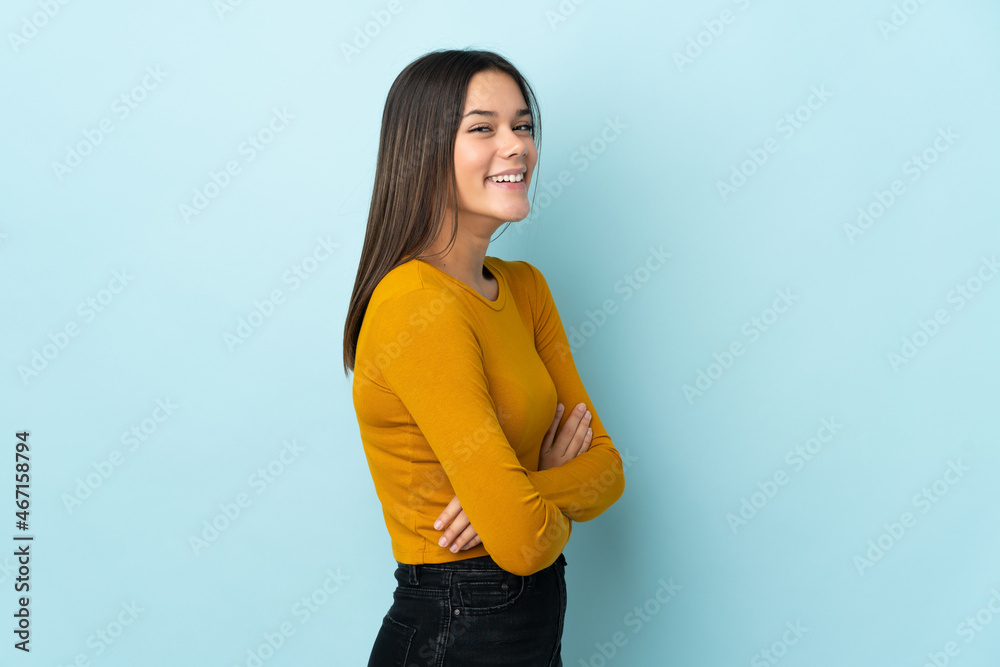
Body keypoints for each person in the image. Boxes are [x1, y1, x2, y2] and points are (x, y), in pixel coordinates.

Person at [343, 48, 625, 667]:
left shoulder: (525, 289)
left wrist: (516, 493)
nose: (516, 146)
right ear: (423, 149)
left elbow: (608, 474)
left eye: (523, 126)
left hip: (528, 623)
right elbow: (524, 543)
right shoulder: (417, 305)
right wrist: (534, 501)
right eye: (482, 128)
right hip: (455, 627)